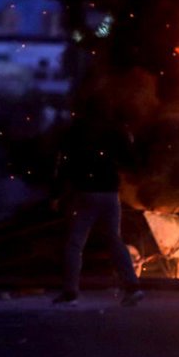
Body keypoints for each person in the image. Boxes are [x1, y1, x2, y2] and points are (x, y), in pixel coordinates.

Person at [51, 97, 144, 307]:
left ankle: (70, 293)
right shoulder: (116, 131)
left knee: (75, 243)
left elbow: (64, 163)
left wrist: (57, 194)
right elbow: (131, 162)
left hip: (84, 193)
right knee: (114, 239)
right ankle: (133, 287)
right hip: (110, 194)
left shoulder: (76, 131)